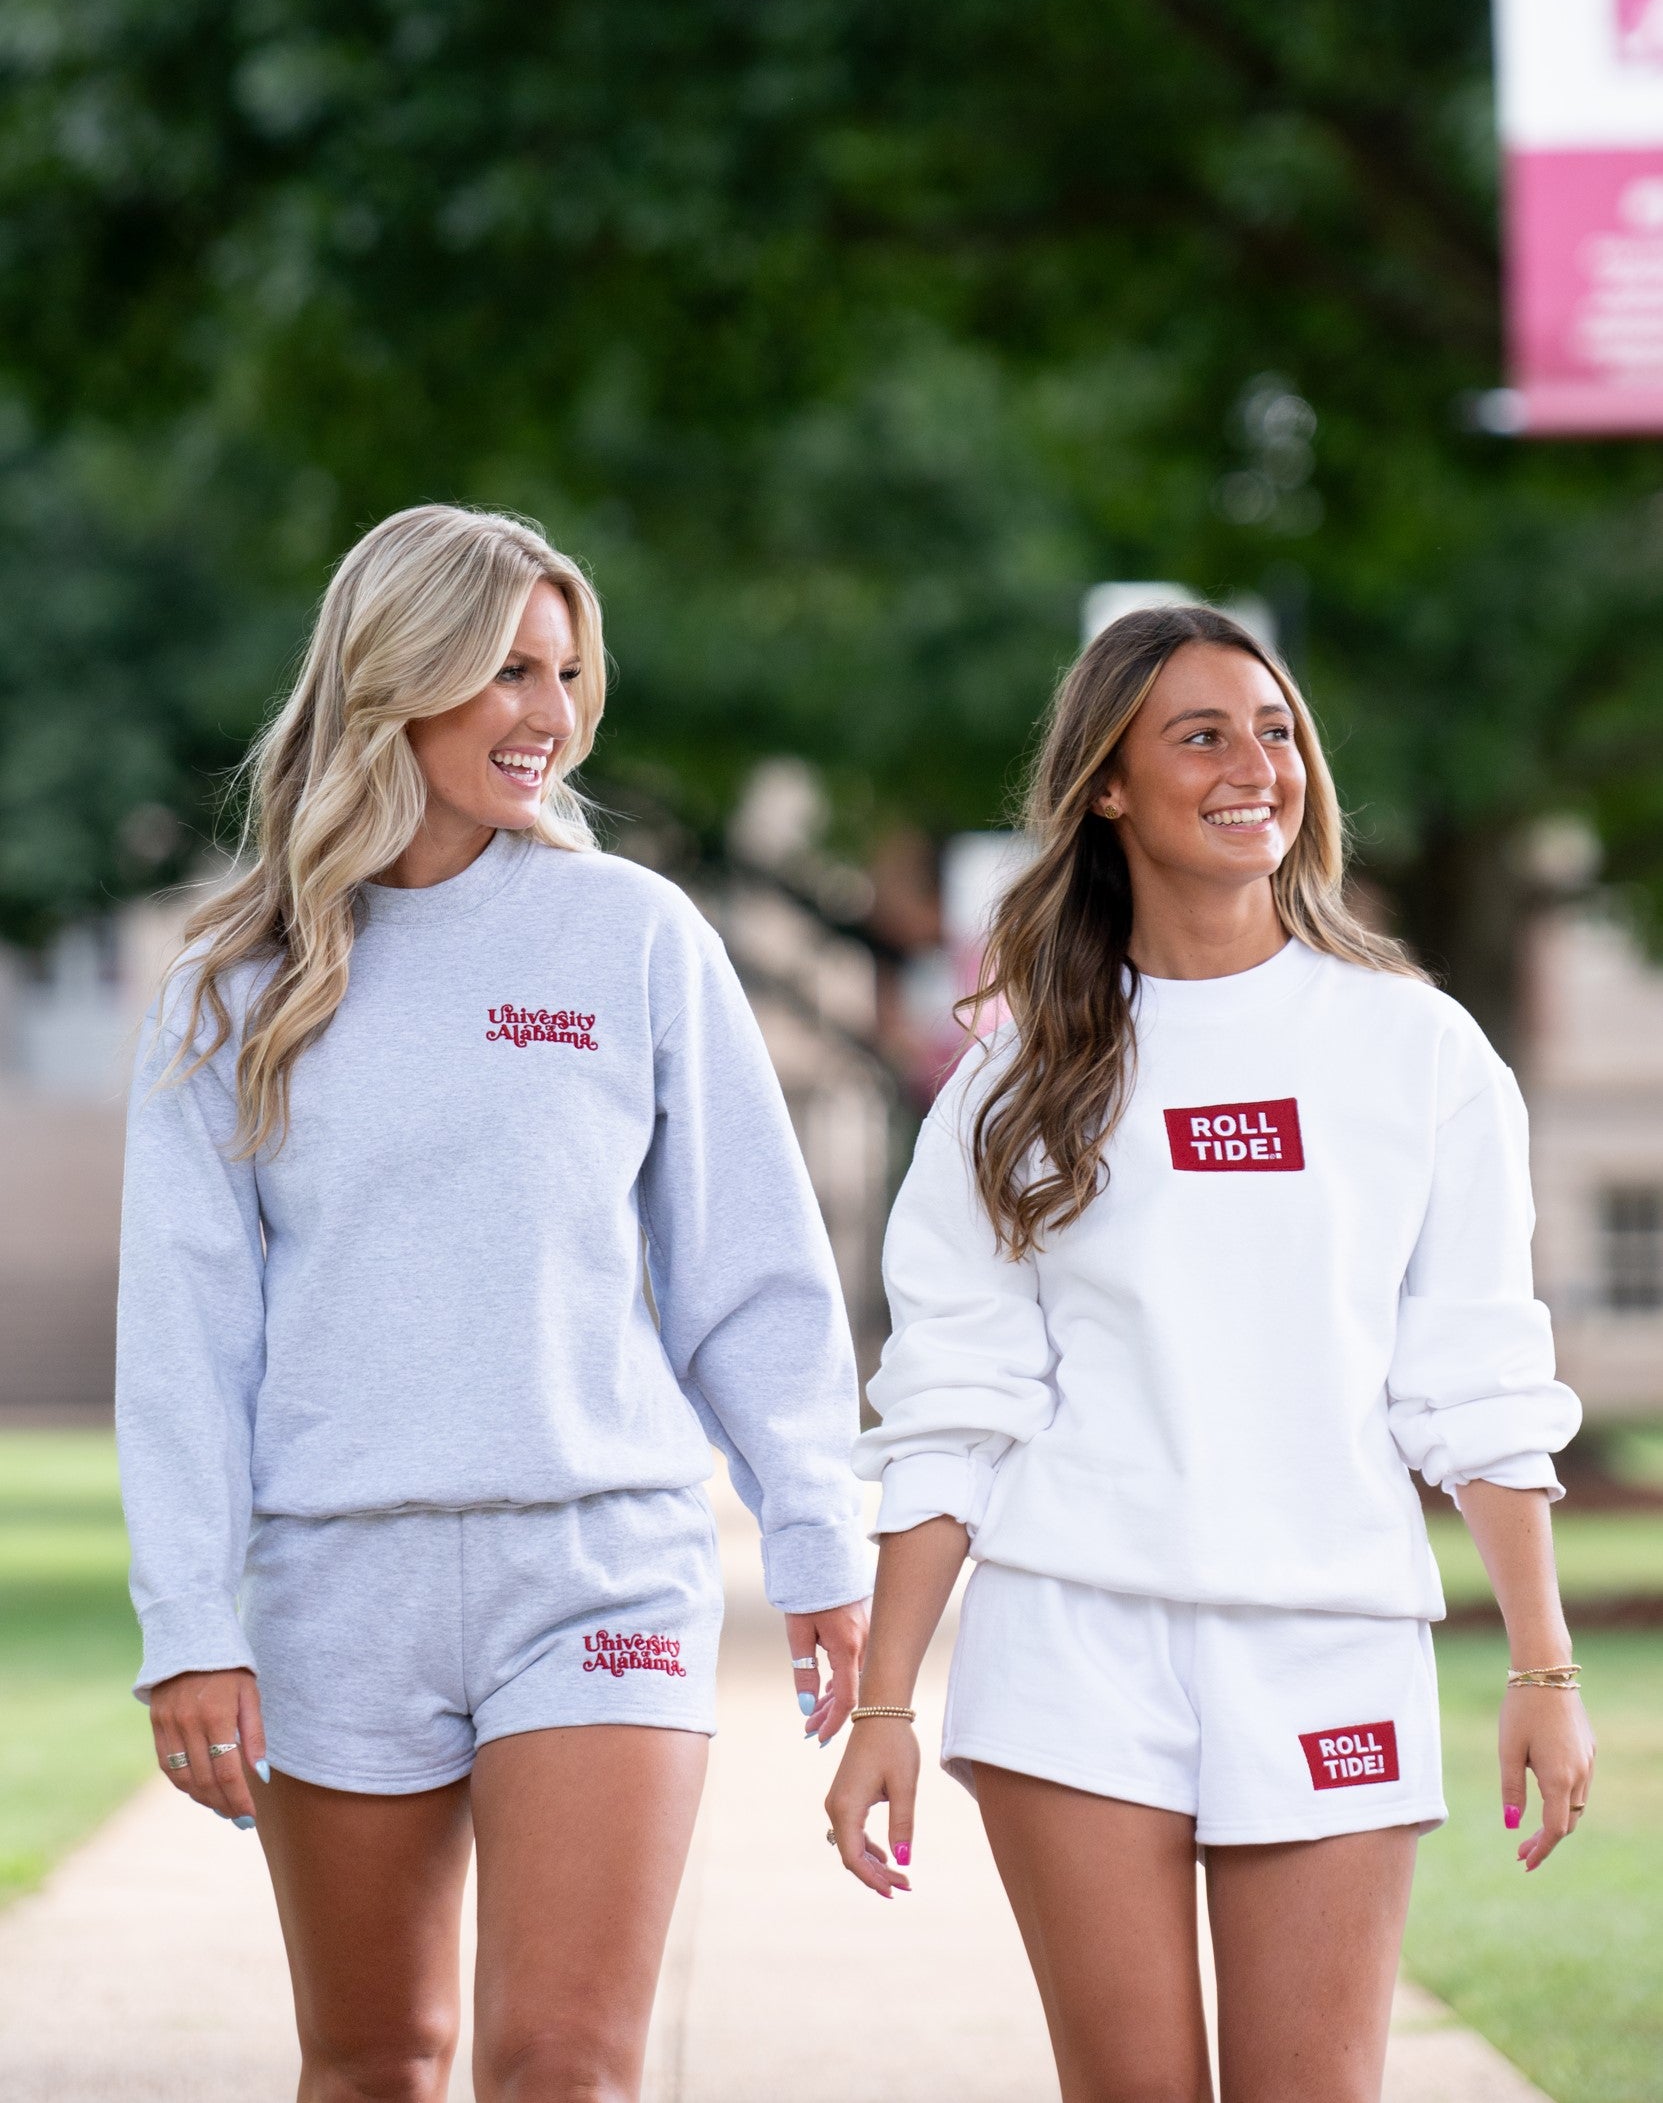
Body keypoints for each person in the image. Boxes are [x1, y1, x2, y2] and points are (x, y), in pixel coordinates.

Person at [117, 504, 869, 2103]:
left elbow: (752, 1274)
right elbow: (187, 1337)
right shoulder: (233, 987)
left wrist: (816, 1535)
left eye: (566, 673)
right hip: (340, 1588)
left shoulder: (634, 937)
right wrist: (188, 1624)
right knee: (376, 2064)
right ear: (396, 678)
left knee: (563, 2068)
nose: (549, 714)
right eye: (506, 671)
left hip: (599, 1567)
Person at [826, 604, 1593, 2103]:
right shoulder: (1013, 1075)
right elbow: (952, 1410)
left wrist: (1543, 1664)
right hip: (1072, 1652)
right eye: (1202, 734)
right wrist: (885, 1706)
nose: (1258, 765)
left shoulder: (1416, 1051)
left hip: (1331, 1644)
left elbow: (1476, 1376)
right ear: (1107, 783)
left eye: (1278, 729)